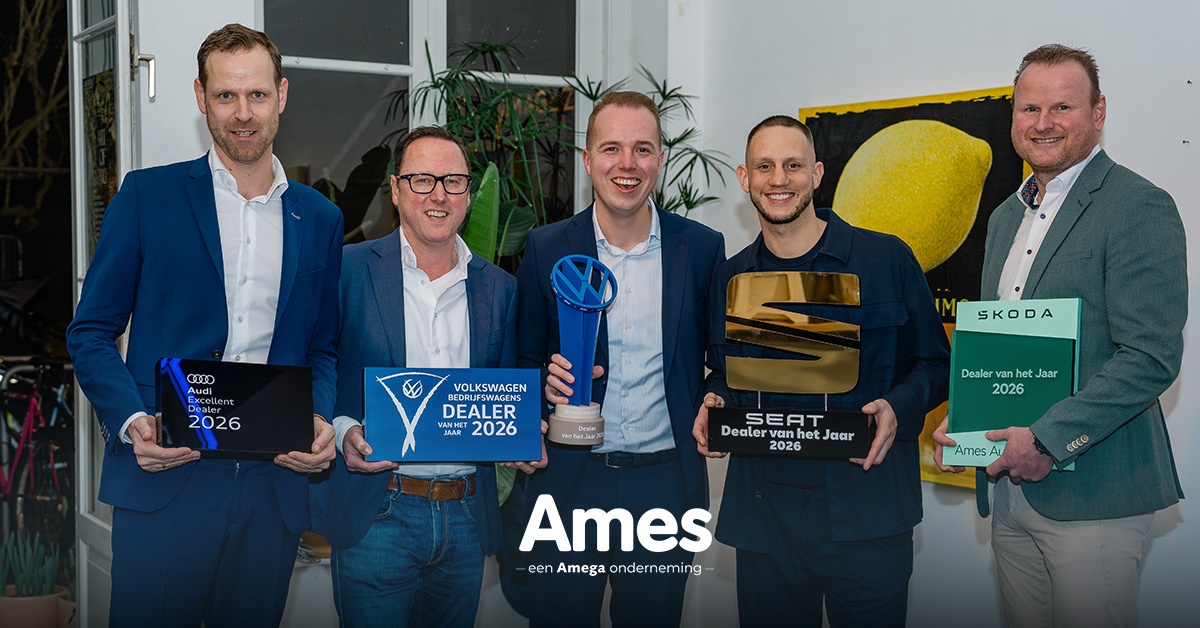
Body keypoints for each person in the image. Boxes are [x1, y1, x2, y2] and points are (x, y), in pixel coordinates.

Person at [66, 24, 341, 627]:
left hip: (272, 488)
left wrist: (318, 418)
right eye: (225, 96)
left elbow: (322, 349)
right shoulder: (147, 196)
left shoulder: (320, 217)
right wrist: (131, 422)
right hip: (167, 476)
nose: (243, 114)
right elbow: (89, 332)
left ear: (282, 95)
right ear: (200, 96)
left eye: (257, 94)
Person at [934, 44, 1187, 628]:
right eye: (1029, 109)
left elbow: (1149, 356)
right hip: (1009, 491)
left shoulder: (1138, 206)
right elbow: (1000, 351)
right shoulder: (1004, 217)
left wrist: (1045, 442)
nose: (1042, 123)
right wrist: (967, 423)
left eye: (1062, 107)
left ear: (1098, 113)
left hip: (1095, 493)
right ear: (1014, 118)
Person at [693, 115, 950, 627]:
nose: (779, 179)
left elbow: (935, 363)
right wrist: (715, 400)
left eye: (793, 165)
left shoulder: (885, 260)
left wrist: (897, 408)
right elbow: (723, 372)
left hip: (868, 515)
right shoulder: (729, 276)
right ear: (745, 178)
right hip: (765, 521)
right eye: (764, 167)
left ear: (816, 174)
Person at [309, 125, 543, 627]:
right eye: (422, 179)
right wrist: (344, 430)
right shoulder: (348, 271)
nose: (439, 194)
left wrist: (525, 431)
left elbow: (506, 388)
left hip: (465, 516)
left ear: (468, 194)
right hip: (379, 510)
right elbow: (318, 363)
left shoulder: (501, 289)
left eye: (453, 181)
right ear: (396, 190)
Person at [515, 90, 725, 627]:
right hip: (569, 483)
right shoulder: (545, 247)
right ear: (588, 160)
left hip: (664, 487)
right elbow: (521, 360)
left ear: (660, 159)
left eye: (642, 149)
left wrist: (716, 397)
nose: (627, 164)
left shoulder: (702, 249)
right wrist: (543, 384)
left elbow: (723, 362)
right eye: (611, 149)